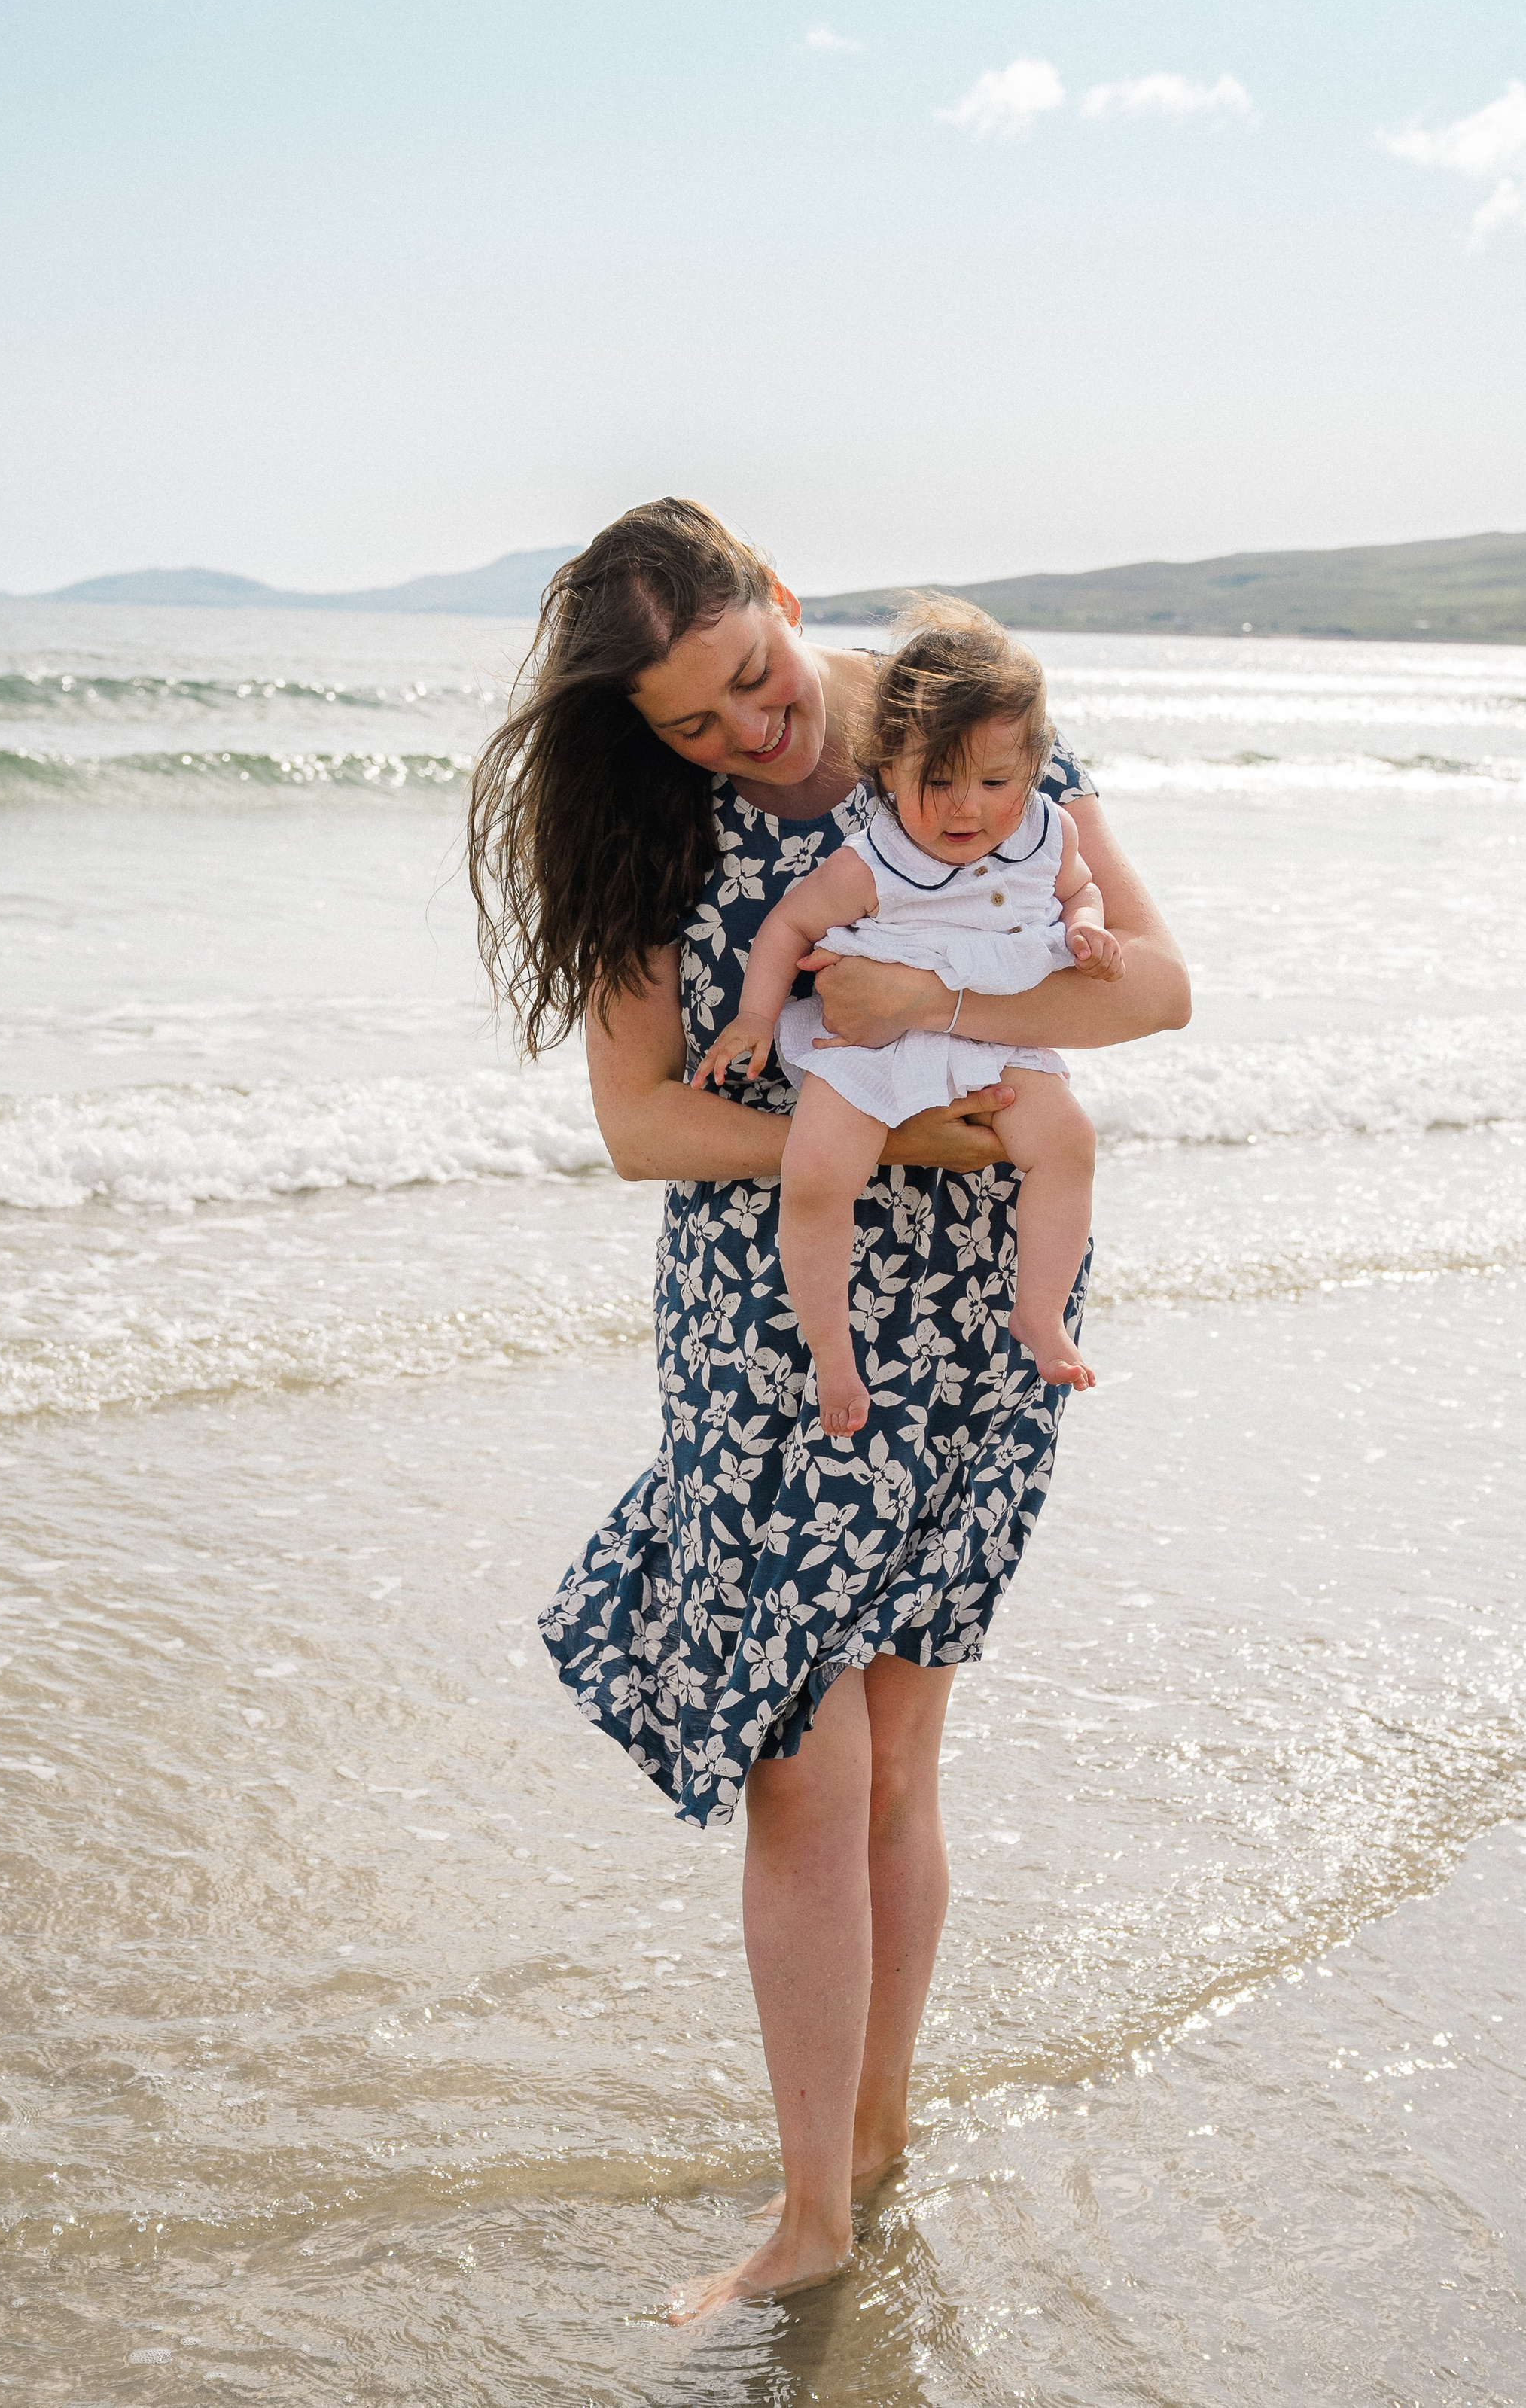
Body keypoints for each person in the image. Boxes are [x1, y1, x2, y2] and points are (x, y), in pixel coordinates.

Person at [468, 498, 1190, 2318]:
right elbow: (640, 1124)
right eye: (691, 723)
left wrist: (943, 1013)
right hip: (767, 1326)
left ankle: (863, 2145)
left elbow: (1154, 985)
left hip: (973, 1314)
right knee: (807, 1764)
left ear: (783, 603)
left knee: (899, 1768)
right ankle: (812, 2201)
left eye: (752, 681)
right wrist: (887, 1138)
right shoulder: (646, 822)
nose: (742, 734)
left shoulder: (956, 724)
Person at [692, 604, 1123, 1437]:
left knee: (1068, 1143)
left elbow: (1079, 888)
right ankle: (832, 1354)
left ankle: (1039, 1310)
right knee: (817, 1177)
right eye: (937, 780)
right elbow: (787, 924)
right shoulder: (872, 858)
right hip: (868, 1042)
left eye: (995, 782)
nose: (967, 807)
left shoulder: (1046, 832)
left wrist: (1085, 927)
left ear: (1031, 768)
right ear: (888, 770)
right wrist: (752, 1016)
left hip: (990, 1035)